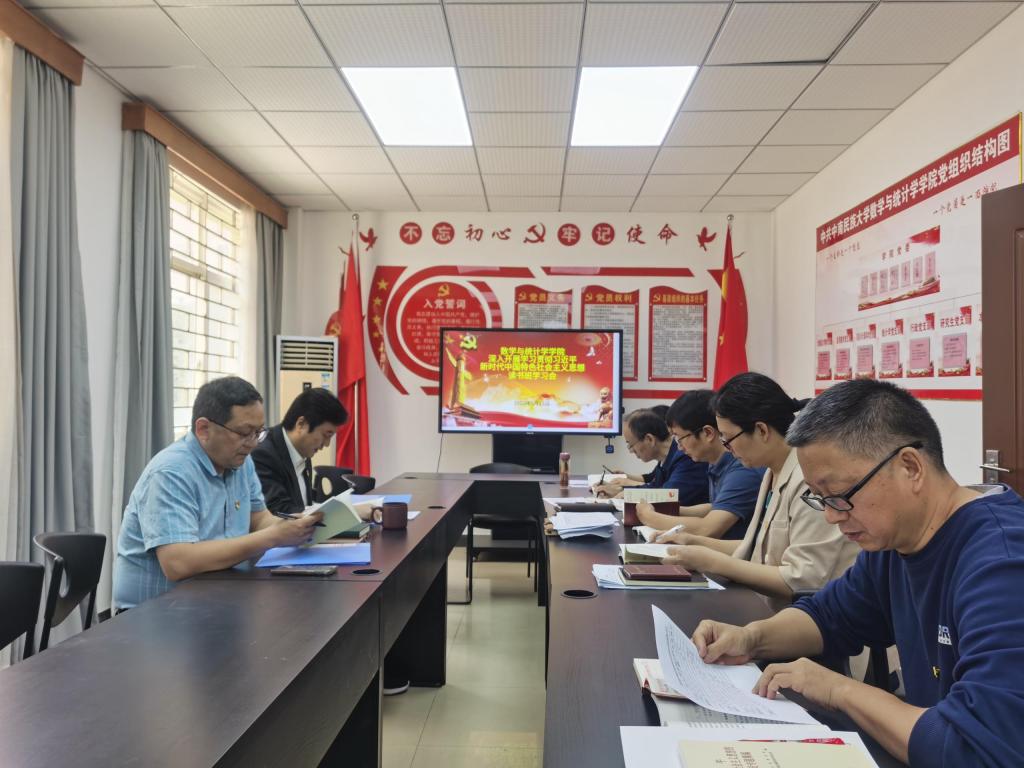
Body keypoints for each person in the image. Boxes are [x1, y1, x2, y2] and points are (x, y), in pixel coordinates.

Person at [691, 380, 1024, 766]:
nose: (832, 517)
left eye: (840, 495)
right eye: (821, 499)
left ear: (910, 467)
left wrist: (838, 690)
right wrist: (751, 638)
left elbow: (975, 748)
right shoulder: (896, 541)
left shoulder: (1001, 564)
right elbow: (829, 616)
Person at [113, 377, 322, 611]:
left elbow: (258, 518)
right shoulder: (171, 473)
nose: (253, 443)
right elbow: (178, 562)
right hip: (155, 613)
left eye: (258, 432)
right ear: (204, 429)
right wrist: (273, 536)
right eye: (244, 433)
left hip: (215, 597)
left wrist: (295, 526)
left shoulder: (240, 462)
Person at [659, 373, 858, 608]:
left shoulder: (810, 480)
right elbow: (757, 548)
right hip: (765, 607)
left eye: (728, 438)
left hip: (805, 618)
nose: (727, 448)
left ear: (762, 430)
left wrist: (713, 562)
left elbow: (803, 578)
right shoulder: (771, 472)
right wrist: (693, 542)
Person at [637, 389, 764, 539]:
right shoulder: (714, 462)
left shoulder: (743, 468)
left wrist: (648, 516)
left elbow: (707, 529)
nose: (679, 447)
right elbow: (716, 507)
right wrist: (666, 509)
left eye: (679, 438)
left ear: (708, 433)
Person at [251, 387, 348, 516]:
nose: (326, 444)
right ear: (301, 424)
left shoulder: (302, 450)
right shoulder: (264, 455)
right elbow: (279, 511)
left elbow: (303, 506)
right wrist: (342, 512)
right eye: (326, 435)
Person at [593, 408, 709, 506]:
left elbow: (667, 497)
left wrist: (625, 493)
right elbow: (654, 486)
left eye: (631, 445)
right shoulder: (666, 458)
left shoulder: (686, 458)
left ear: (649, 439)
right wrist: (619, 489)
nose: (631, 451)